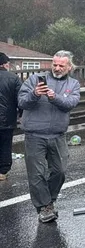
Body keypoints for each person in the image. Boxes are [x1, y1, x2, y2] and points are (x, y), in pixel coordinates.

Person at [18, 50, 81, 223]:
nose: (57, 68)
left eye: (61, 65)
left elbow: (70, 104)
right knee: (37, 174)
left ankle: (50, 200)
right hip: (34, 134)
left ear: (69, 67)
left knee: (59, 171)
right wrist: (35, 94)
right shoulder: (33, 80)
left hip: (58, 135)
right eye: (55, 64)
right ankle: (44, 207)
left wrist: (55, 97)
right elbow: (21, 102)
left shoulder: (73, 84)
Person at [0, 52, 23, 182]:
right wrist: (21, 114)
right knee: (5, 144)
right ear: (4, 64)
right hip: (7, 119)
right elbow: (20, 99)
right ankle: (2, 171)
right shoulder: (13, 78)